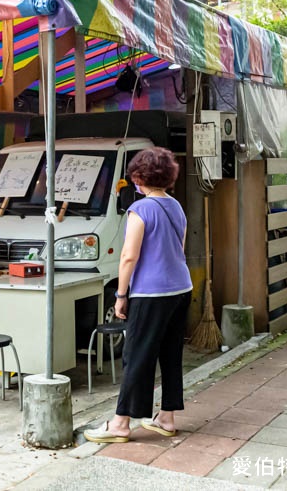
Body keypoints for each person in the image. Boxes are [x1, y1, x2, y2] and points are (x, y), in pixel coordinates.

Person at [84, 147, 193, 443]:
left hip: (151, 293)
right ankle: (167, 418)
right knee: (171, 354)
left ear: (139, 178)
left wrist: (121, 295)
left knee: (137, 355)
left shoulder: (140, 210)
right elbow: (179, 249)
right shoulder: (176, 206)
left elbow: (128, 257)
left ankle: (120, 423)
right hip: (181, 288)